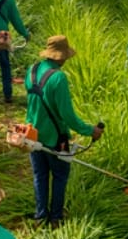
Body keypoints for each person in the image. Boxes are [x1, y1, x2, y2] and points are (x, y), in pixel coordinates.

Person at [24, 35, 103, 228]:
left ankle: (40, 216)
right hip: (56, 138)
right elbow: (68, 116)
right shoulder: (58, 78)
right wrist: (90, 130)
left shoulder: (32, 70)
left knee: (39, 175)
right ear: (61, 57)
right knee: (60, 176)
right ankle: (56, 218)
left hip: (32, 134)